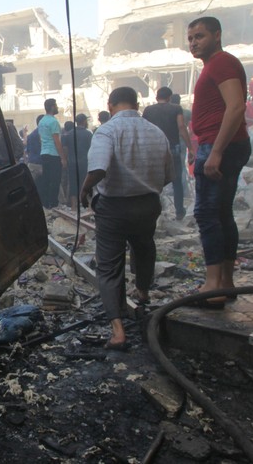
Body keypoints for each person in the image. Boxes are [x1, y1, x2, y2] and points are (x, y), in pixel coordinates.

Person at [79, 87, 172, 350]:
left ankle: (118, 332)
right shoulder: (157, 132)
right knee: (144, 247)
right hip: (148, 204)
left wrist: (85, 188)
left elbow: (98, 168)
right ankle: (142, 291)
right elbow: (168, 175)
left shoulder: (107, 131)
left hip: (114, 208)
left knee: (109, 266)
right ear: (137, 103)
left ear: (110, 105)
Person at [187, 17, 251, 307]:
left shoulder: (222, 62)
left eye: (199, 36)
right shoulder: (214, 65)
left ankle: (213, 285)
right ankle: (226, 282)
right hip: (220, 144)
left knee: (207, 213)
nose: (194, 42)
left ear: (217, 34)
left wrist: (215, 152)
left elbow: (236, 106)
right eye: (190, 38)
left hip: (219, 144)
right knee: (222, 213)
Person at [142, 86, 193, 220]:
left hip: (153, 149)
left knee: (153, 182)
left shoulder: (148, 110)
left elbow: (144, 129)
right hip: (173, 148)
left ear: (157, 97)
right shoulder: (176, 108)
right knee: (177, 181)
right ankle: (179, 211)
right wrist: (190, 147)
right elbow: (181, 127)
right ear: (170, 97)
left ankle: (154, 211)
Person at [38, 98, 64, 209]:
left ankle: (45, 203)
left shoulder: (41, 121)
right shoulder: (54, 122)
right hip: (54, 154)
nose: (57, 107)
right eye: (56, 105)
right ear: (52, 107)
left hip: (44, 153)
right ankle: (54, 203)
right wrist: (63, 158)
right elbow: (56, 141)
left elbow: (41, 139)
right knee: (55, 179)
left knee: (46, 178)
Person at [63, 114, 92, 208]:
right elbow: (91, 149)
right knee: (86, 183)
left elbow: (65, 149)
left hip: (72, 163)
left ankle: (73, 207)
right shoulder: (88, 134)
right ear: (84, 121)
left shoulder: (69, 134)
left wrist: (66, 160)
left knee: (73, 183)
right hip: (84, 163)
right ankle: (86, 206)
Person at [26, 115, 44, 183]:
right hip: (42, 164)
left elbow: (28, 151)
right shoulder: (45, 134)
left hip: (32, 164)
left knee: (31, 186)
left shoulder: (31, 135)